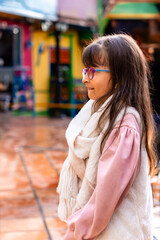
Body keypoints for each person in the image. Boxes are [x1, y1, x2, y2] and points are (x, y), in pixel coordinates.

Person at [57, 33, 157, 240]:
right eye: (86, 70)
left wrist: (77, 231)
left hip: (119, 230)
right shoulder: (97, 112)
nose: (85, 78)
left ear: (120, 76)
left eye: (92, 71)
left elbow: (107, 195)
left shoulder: (125, 124)